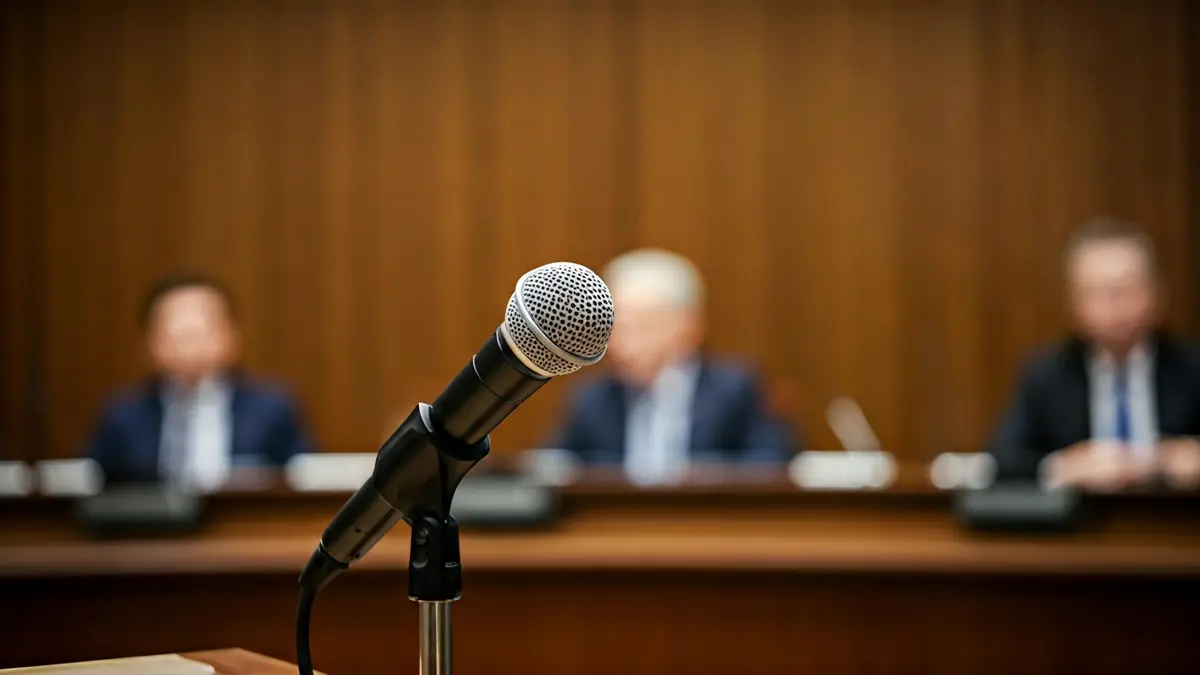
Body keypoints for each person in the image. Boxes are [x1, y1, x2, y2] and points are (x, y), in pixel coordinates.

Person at [547, 248, 797, 484]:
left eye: (639, 328)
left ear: (688, 327)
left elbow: (773, 465)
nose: (618, 344)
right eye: (613, 329)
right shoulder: (593, 396)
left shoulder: (735, 389)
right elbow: (551, 467)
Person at [989, 218, 1200, 490]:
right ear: (1073, 303)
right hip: (1082, 526)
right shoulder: (1047, 374)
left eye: (1124, 290)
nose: (1112, 307)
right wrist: (1063, 466)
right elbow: (1002, 462)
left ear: (1156, 294)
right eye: (1097, 293)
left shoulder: (1191, 369)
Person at [86, 274, 315, 490]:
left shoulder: (272, 408)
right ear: (148, 343)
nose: (190, 345)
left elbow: (304, 481)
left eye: (202, 331)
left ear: (232, 337)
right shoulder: (122, 415)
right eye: (177, 333)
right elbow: (91, 484)